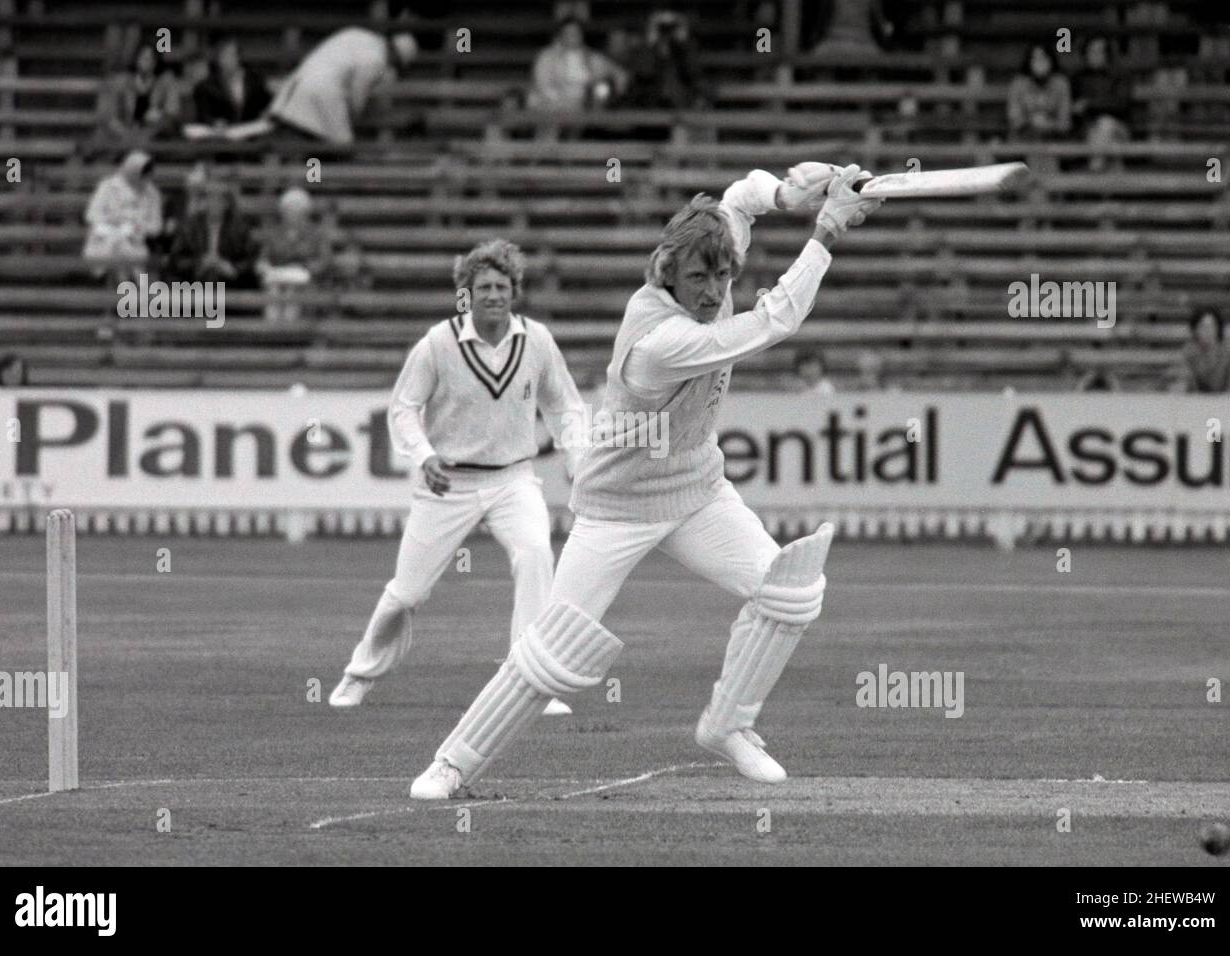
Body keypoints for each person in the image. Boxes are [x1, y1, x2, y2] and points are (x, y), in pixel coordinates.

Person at [410, 163, 884, 799]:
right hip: (618, 505)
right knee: (553, 652)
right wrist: (824, 230)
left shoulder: (709, 256)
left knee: (791, 590)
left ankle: (728, 726)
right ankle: (453, 763)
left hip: (696, 486)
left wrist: (788, 194)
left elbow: (739, 196)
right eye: (699, 278)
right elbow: (774, 321)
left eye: (722, 276)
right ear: (668, 273)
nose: (714, 291)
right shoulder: (661, 339)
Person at [328, 239, 587, 718]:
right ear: (465, 293)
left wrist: (577, 460)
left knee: (534, 557)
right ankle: (358, 675)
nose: (493, 294)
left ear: (515, 291)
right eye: (483, 286)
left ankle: (530, 682)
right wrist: (424, 455)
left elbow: (564, 405)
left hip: (512, 478)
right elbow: (404, 408)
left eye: (502, 286)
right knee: (408, 592)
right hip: (447, 482)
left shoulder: (537, 340)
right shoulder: (437, 343)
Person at [264, 27, 418, 144]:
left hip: (300, 84)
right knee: (343, 147)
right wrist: (354, 123)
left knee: (310, 143)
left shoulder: (359, 34)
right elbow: (358, 96)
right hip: (324, 92)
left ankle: (312, 179)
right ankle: (315, 181)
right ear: (397, 57)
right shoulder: (377, 59)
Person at [82, 149, 163, 283]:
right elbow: (91, 215)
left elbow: (156, 227)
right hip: (105, 240)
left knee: (126, 251)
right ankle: (135, 287)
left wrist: (139, 226)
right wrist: (113, 220)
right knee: (118, 249)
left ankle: (129, 290)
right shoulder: (107, 186)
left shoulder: (152, 193)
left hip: (135, 242)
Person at [256, 187, 333, 321]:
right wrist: (263, 266)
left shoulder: (315, 234)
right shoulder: (274, 233)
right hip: (278, 278)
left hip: (305, 280)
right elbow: (263, 258)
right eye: (289, 210)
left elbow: (324, 260)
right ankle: (273, 327)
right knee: (274, 290)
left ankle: (290, 328)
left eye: (297, 211)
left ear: (305, 213)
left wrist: (309, 268)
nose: (293, 214)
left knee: (293, 290)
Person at [167, 178, 259, 288]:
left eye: (219, 200)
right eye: (210, 199)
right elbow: (176, 259)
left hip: (230, 280)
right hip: (195, 280)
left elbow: (250, 259)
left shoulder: (240, 227)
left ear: (227, 204)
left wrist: (231, 267)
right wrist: (200, 263)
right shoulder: (190, 226)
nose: (214, 204)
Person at [94, 42, 183, 146]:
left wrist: (160, 116)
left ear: (156, 62)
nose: (147, 62)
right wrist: (127, 135)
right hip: (122, 136)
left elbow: (172, 112)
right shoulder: (120, 82)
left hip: (152, 137)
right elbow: (108, 116)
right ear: (136, 59)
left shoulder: (165, 83)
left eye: (151, 58)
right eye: (144, 58)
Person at [527, 17, 625, 110]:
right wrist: (564, 102)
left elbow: (619, 74)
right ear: (560, 35)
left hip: (587, 105)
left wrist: (612, 94)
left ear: (582, 35)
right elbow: (543, 85)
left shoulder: (592, 57)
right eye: (568, 32)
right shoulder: (546, 57)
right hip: (554, 106)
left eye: (576, 32)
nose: (572, 35)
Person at [621, 10, 705, 109]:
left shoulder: (686, 50)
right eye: (662, 28)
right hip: (650, 105)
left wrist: (682, 44)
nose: (666, 32)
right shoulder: (646, 50)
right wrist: (651, 43)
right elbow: (644, 73)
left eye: (671, 28)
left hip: (680, 105)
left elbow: (693, 73)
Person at [1073, 37, 1132, 171]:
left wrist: (1089, 104)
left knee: (1106, 124)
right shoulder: (1078, 77)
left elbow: (1121, 104)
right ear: (1085, 54)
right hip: (1088, 131)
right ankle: (1111, 189)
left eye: (1100, 51)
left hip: (1119, 129)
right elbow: (1073, 108)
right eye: (1091, 51)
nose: (1095, 55)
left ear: (1107, 54)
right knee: (1112, 148)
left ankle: (1095, 169)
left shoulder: (1120, 75)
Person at [194, 34, 272, 126]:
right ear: (218, 59)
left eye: (231, 55)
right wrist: (214, 122)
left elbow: (265, 105)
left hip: (252, 132)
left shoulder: (255, 81)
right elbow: (204, 115)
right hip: (222, 135)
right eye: (223, 56)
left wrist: (265, 115)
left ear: (238, 57)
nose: (227, 60)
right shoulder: (206, 86)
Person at [1175, 307, 1230, 393]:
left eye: (1212, 326)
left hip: (1228, 401)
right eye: (1203, 326)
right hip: (1198, 402)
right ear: (1195, 330)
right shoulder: (1188, 352)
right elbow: (1185, 383)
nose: (1208, 331)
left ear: (1218, 328)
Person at [1007, 44, 1072, 139]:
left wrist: (1049, 124)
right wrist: (1031, 122)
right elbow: (1014, 119)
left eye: (1043, 58)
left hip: (1055, 139)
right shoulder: (1018, 83)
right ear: (1028, 62)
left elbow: (1065, 122)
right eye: (1035, 59)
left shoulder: (1061, 83)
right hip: (1024, 138)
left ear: (1051, 61)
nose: (1039, 63)